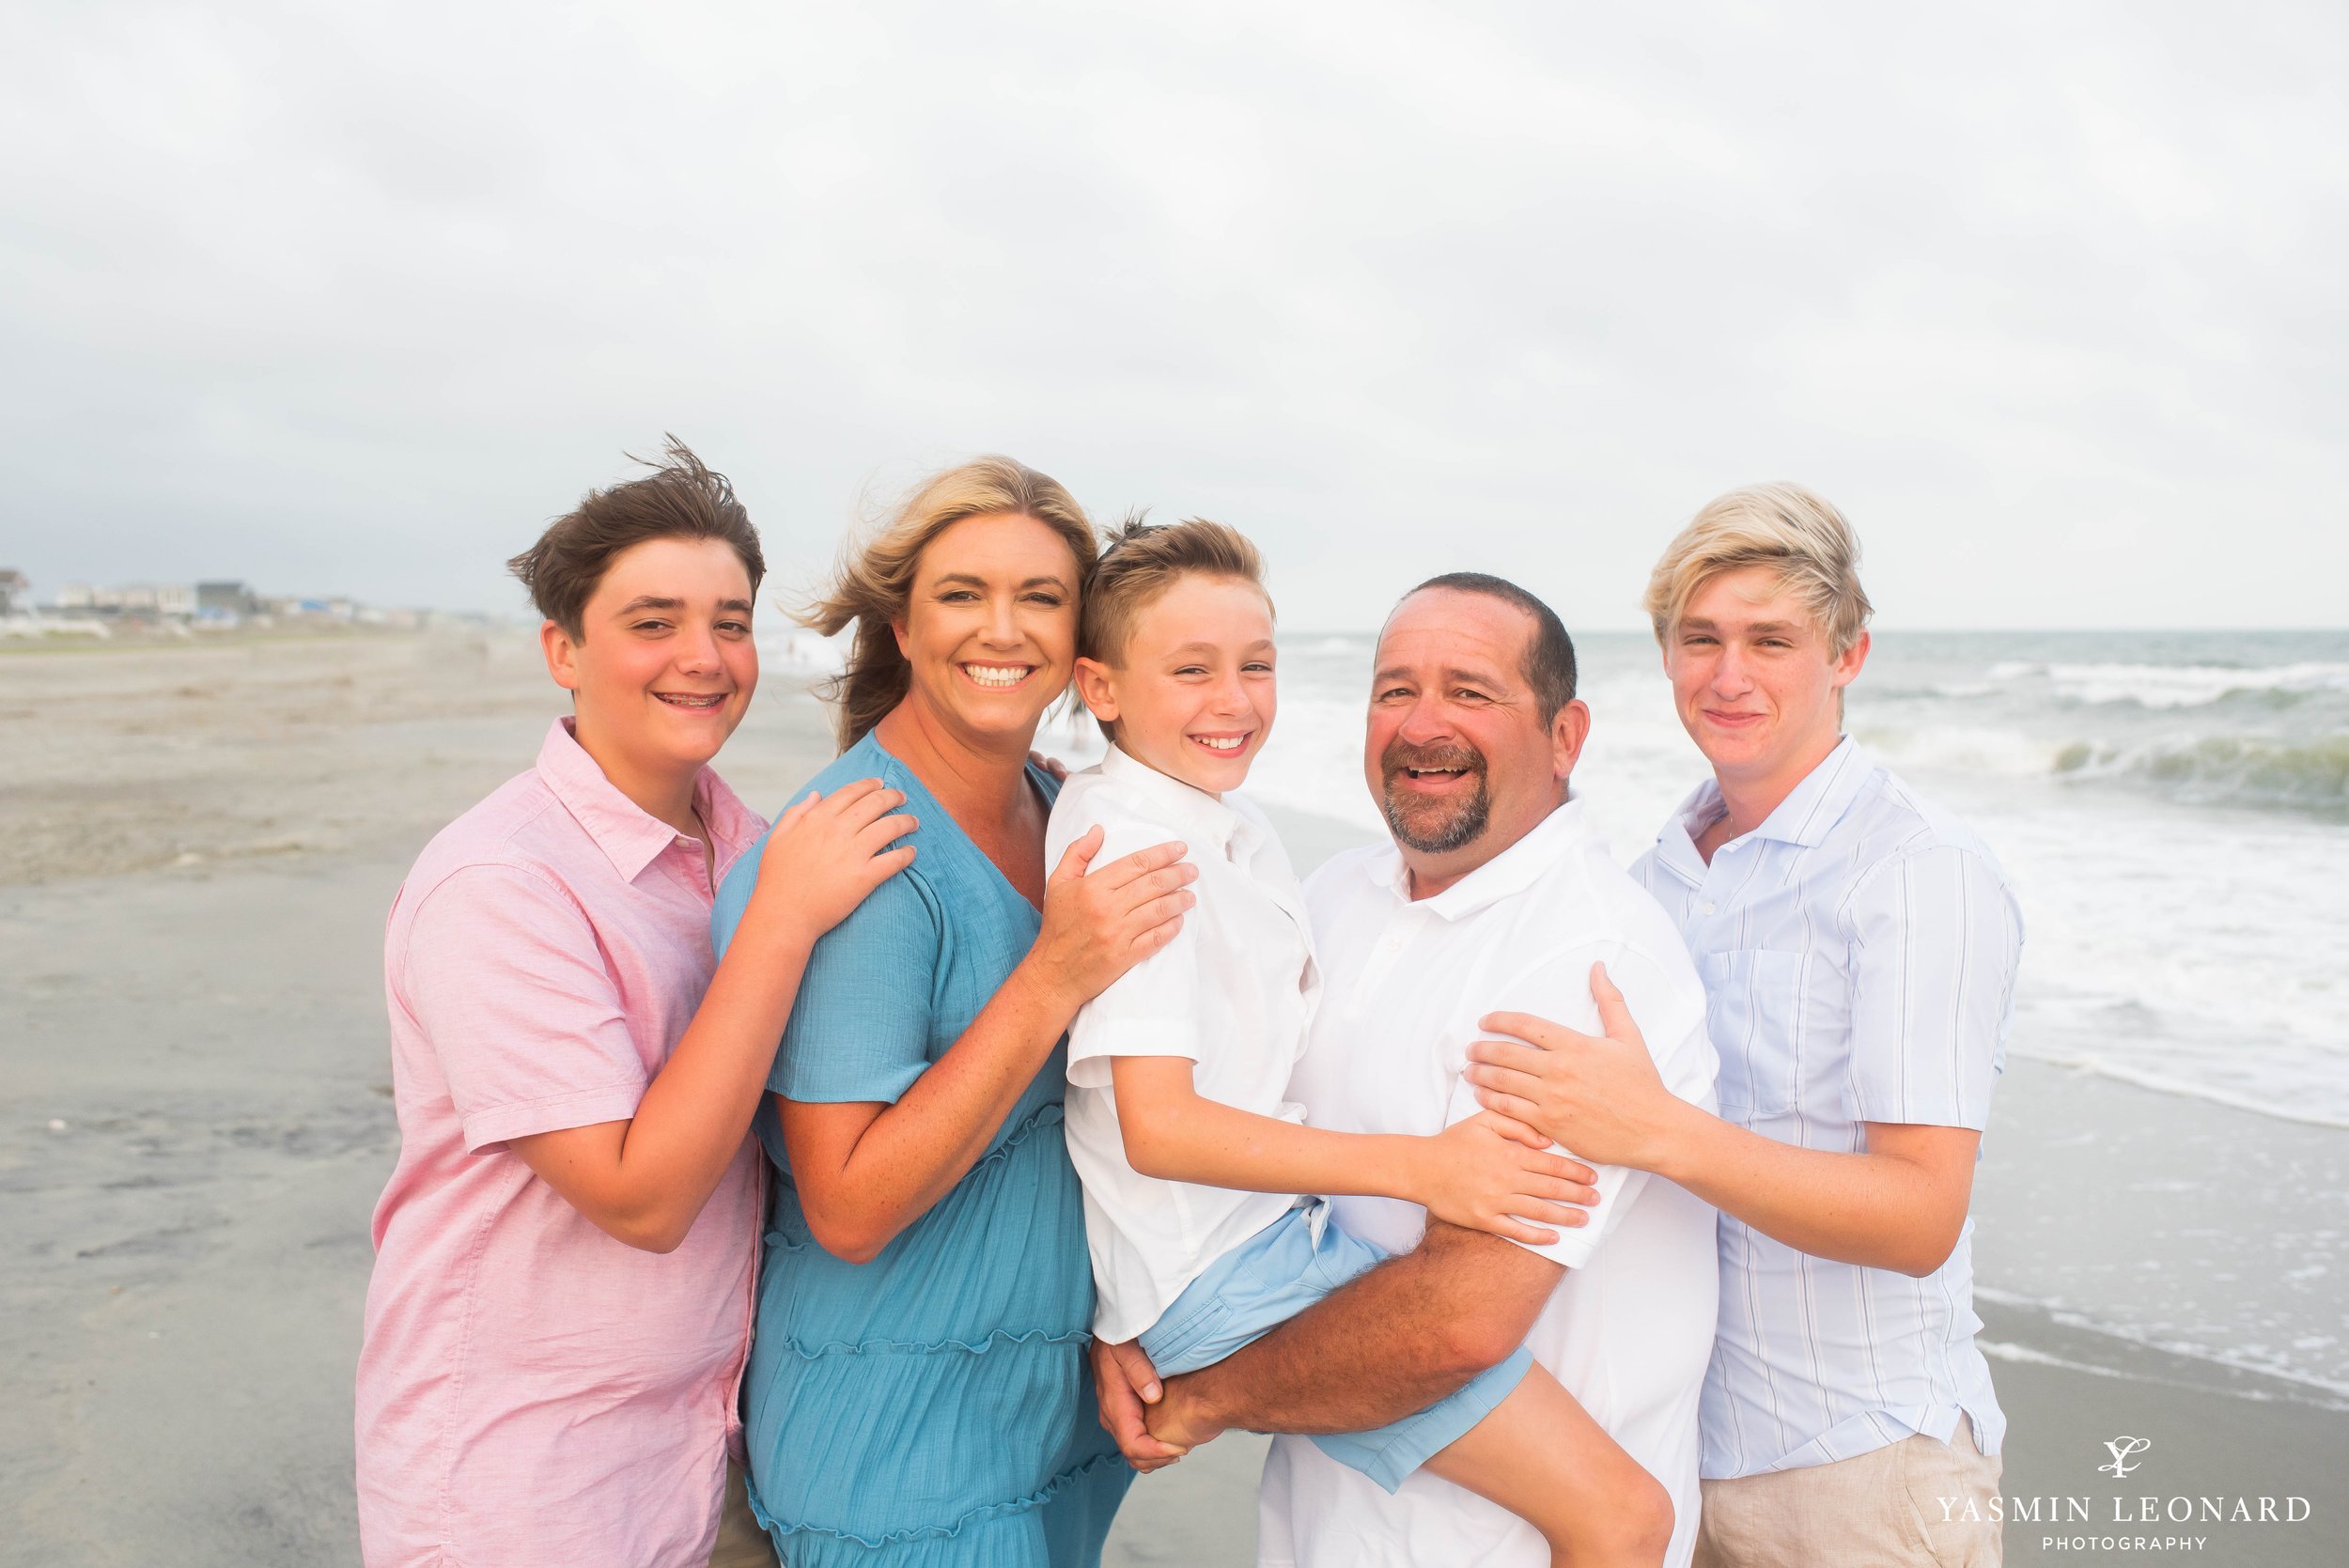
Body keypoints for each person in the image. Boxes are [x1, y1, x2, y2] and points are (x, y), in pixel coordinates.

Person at [357, 442, 918, 1568]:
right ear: (562, 649)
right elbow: (641, 1193)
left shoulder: (758, 850)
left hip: (714, 1454)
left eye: (731, 620)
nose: (704, 659)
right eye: (653, 622)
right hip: (522, 1482)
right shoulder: (499, 884)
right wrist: (779, 926)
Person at [1055, 520, 1657, 1566]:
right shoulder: (1138, 848)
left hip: (1247, 1255)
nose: (1234, 700)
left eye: (1256, 665)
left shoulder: (1226, 828)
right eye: (1190, 669)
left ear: (1568, 735)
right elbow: (1156, 1126)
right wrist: (1428, 1170)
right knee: (1622, 1518)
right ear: (1101, 689)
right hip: (1235, 1273)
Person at [1460, 485, 2019, 1567]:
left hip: (1859, 1468)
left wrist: (1654, 1127)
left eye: (1771, 640)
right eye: (1699, 639)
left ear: (1846, 654)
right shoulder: (1656, 869)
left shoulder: (1919, 872)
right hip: (1666, 1450)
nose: (1728, 675)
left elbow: (1919, 1217)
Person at [708, 458, 1198, 1567]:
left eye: (1040, 596)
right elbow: (846, 1202)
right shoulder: (864, 851)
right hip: (897, 1437)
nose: (1003, 628)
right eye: (962, 593)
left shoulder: (1064, 801)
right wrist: (1051, 977)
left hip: (1046, 1405)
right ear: (901, 624)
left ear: (1084, 635)